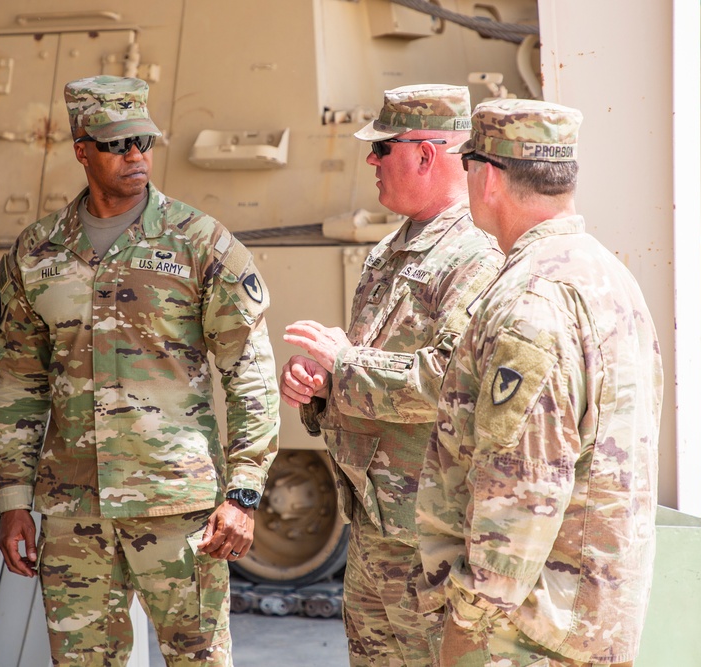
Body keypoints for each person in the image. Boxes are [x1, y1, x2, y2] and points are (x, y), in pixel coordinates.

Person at [0, 75, 279, 667]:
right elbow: (18, 383)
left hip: (178, 508)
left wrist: (244, 493)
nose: (136, 155)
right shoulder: (36, 252)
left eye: (144, 141)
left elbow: (250, 373)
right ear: (81, 148)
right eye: (118, 144)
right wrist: (13, 500)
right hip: (75, 514)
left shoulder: (202, 246)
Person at [416, 98, 662, 667]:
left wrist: (469, 623)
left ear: (490, 178)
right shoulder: (608, 275)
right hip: (592, 619)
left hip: (525, 636)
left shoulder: (530, 299)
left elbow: (523, 486)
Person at [279, 84, 504, 667]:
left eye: (383, 147)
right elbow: (366, 366)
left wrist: (344, 364)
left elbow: (450, 383)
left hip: (433, 534)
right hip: (377, 523)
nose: (371, 160)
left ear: (426, 155)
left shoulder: (476, 254)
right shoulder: (390, 251)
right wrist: (322, 383)